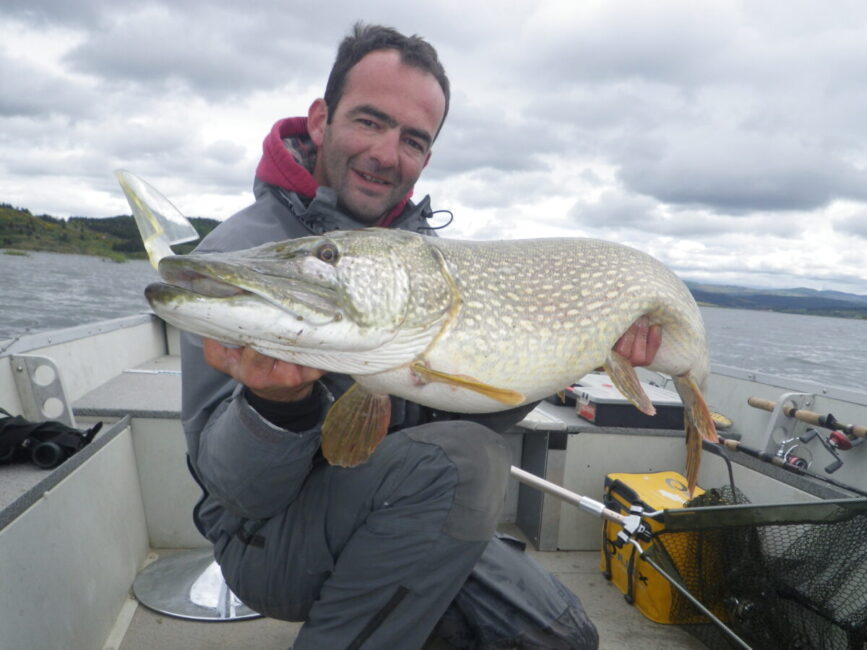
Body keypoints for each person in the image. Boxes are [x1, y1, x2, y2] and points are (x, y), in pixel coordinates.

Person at [180, 23, 660, 649]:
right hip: (266, 539)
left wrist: (548, 360)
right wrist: (276, 406)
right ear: (321, 119)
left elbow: (462, 414)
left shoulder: (425, 262)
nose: (387, 153)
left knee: (563, 639)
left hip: (395, 504)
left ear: (427, 157)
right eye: (370, 122)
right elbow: (237, 492)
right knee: (466, 463)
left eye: (413, 139)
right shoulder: (246, 260)